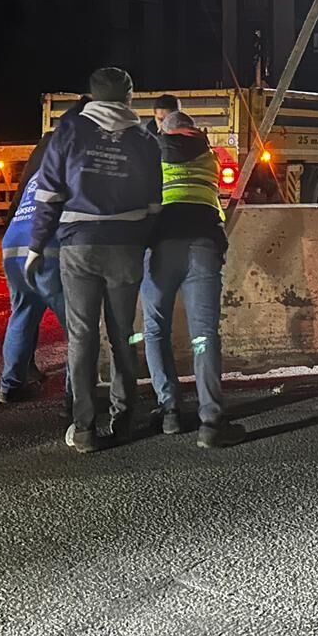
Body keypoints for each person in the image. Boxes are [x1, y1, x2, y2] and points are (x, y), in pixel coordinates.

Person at [26, 67, 162, 452]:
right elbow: (155, 204)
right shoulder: (144, 139)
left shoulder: (68, 132)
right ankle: (124, 422)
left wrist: (37, 245)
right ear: (128, 97)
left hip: (79, 247)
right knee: (124, 337)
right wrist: (141, 242)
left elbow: (49, 194)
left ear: (92, 96)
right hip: (126, 248)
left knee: (82, 338)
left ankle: (84, 428)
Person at [138, 110, 243, 448]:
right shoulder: (209, 156)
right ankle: (210, 421)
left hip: (161, 246)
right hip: (203, 244)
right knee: (204, 335)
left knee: (155, 328)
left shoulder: (152, 154)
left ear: (163, 131)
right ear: (191, 130)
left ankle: (169, 410)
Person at [0, 96, 86, 406]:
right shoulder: (81, 155)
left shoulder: (47, 154)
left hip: (13, 244)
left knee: (22, 314)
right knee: (79, 327)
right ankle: (77, 397)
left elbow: (25, 194)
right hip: (46, 248)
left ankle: (10, 386)